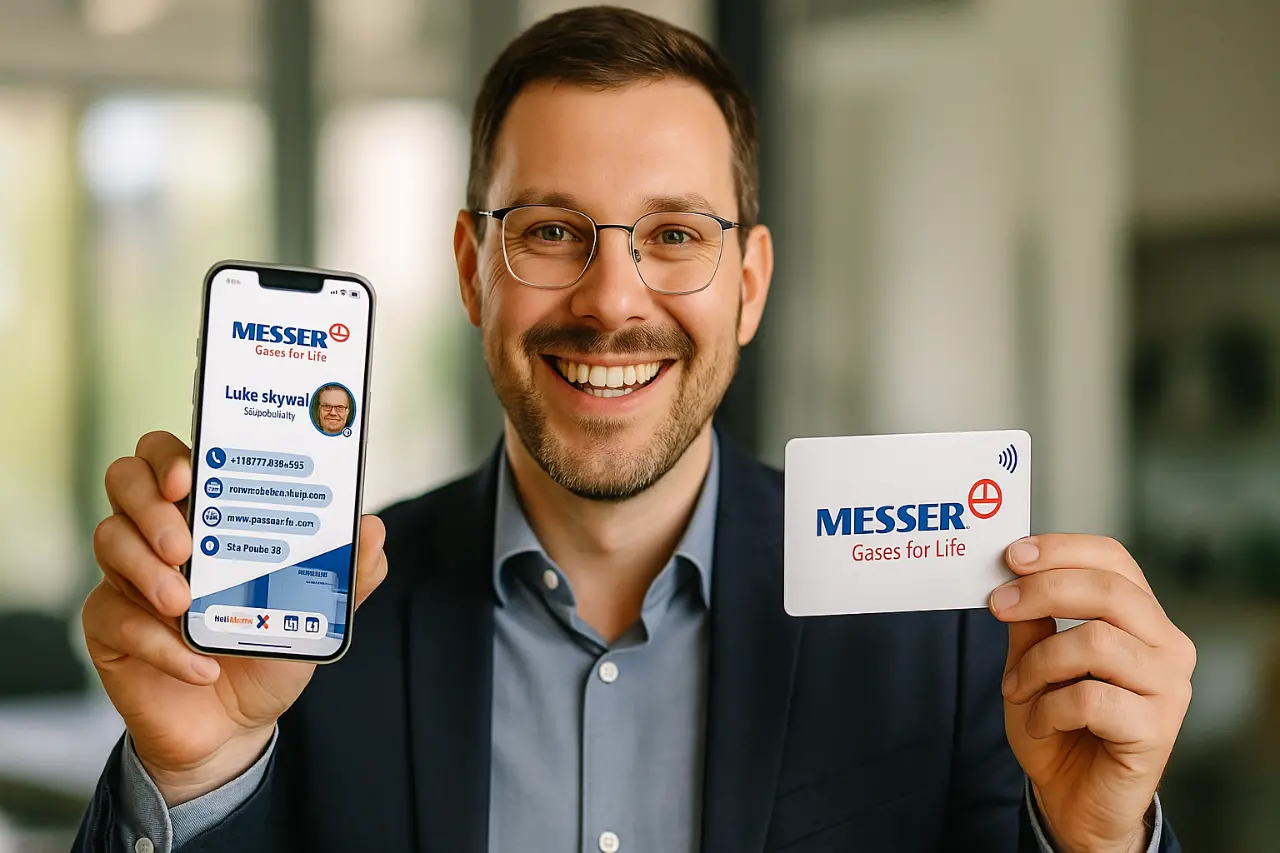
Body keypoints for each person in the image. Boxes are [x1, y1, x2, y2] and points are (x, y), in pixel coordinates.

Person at [74, 7, 1194, 852]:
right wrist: (192, 774)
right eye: (554, 229)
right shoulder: (306, 636)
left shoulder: (945, 634)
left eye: (672, 235)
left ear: (748, 285)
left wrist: (1097, 840)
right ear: (474, 270)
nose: (612, 301)